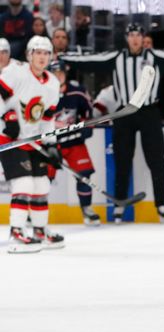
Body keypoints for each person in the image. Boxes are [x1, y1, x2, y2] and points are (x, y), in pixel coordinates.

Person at [60, 23, 164, 224]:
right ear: (126, 38)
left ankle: (162, 204)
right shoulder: (117, 58)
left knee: (157, 160)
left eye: (138, 35)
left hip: (149, 112)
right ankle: (119, 204)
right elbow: (90, 60)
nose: (134, 39)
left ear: (143, 38)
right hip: (125, 112)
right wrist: (62, 57)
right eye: (131, 35)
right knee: (122, 161)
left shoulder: (154, 57)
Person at [0, 36, 62, 253]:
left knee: (41, 185)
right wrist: (8, 118)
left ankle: (39, 230)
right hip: (8, 139)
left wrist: (51, 144)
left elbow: (47, 119)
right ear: (29, 55)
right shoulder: (16, 72)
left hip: (33, 140)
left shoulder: (53, 84)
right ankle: (16, 233)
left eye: (46, 53)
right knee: (24, 184)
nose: (42, 57)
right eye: (38, 52)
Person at [49, 60, 100, 225]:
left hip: (73, 142)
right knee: (42, 179)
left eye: (60, 73)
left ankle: (86, 209)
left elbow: (88, 113)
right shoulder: (44, 93)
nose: (58, 76)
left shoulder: (78, 93)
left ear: (66, 73)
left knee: (84, 175)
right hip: (50, 145)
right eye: (54, 73)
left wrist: (87, 126)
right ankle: (34, 210)